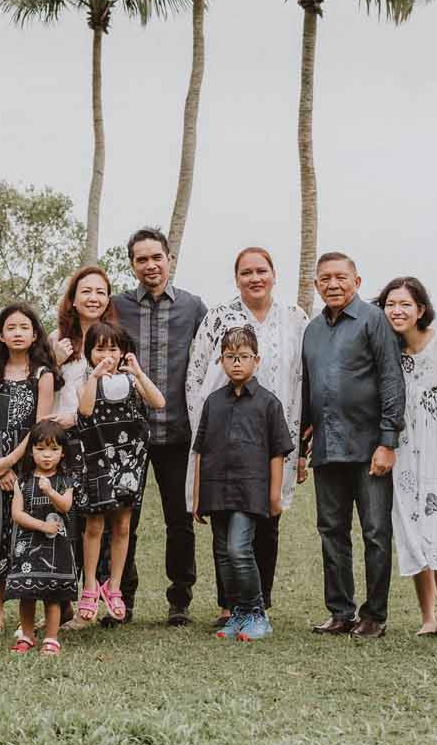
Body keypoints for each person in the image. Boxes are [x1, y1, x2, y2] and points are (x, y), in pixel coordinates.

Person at [184, 246, 305, 627]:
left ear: (274, 274)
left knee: (267, 521)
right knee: (224, 531)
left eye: (261, 270)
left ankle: (258, 605)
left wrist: (303, 439)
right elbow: (195, 374)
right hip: (223, 439)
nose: (255, 278)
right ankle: (228, 605)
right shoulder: (219, 318)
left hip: (274, 434)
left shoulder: (294, 318)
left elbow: (305, 374)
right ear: (236, 277)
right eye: (246, 272)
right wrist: (202, 428)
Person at [299, 251, 405, 639]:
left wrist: (388, 440)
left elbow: (392, 380)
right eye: (325, 278)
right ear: (316, 285)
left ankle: (374, 614)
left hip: (369, 447)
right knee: (331, 531)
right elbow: (308, 388)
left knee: (376, 532)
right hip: (327, 448)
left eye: (341, 277)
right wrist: (302, 440)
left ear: (356, 282)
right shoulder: (311, 331)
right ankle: (341, 611)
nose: (333, 284)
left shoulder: (373, 320)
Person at [112, 226, 209, 625]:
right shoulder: (117, 306)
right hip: (126, 433)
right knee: (123, 519)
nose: (150, 266)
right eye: (141, 259)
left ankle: (179, 601)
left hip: (177, 431)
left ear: (169, 258)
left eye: (157, 257)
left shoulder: (193, 306)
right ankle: (122, 597)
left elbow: (210, 358)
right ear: (132, 264)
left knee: (179, 519)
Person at [191, 325, 294, 642]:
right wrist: (196, 497)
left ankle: (256, 613)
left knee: (239, 550)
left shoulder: (268, 403)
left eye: (244, 357)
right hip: (216, 490)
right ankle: (236, 613)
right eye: (230, 357)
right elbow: (200, 451)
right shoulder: (213, 402)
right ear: (221, 361)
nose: (237, 363)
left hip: (250, 493)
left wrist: (274, 495)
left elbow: (278, 453)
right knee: (223, 555)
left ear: (257, 360)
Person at [378, 275, 437, 640]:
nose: (397, 311)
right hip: (405, 450)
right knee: (413, 530)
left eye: (404, 305)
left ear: (421, 310)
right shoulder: (388, 354)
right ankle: (427, 617)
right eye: (390, 305)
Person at [0, 304, 59, 638]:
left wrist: (12, 462)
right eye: (11, 327)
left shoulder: (42, 374)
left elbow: (40, 427)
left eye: (24, 327)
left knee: (25, 539)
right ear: (1, 335)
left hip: (27, 463)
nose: (17, 332)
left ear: (35, 334)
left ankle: (27, 618)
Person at [70, 323, 164, 624]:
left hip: (129, 461)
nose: (107, 354)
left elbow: (158, 402)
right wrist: (96, 375)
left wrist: (137, 371)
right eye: (100, 349)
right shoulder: (86, 380)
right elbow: (84, 411)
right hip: (98, 460)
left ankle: (114, 587)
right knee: (94, 527)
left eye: (114, 348)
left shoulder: (131, 380)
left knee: (123, 526)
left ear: (123, 351)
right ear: (90, 353)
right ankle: (89, 587)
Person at [6, 419, 79, 656]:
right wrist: (41, 526)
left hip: (56, 548)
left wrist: (50, 492)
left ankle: (51, 636)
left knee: (53, 594)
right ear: (31, 451)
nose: (47, 455)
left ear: (62, 452)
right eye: (40, 449)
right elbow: (17, 513)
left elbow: (66, 505)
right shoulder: (23, 481)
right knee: (26, 593)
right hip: (28, 546)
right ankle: (27, 635)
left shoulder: (65, 479)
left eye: (54, 449)